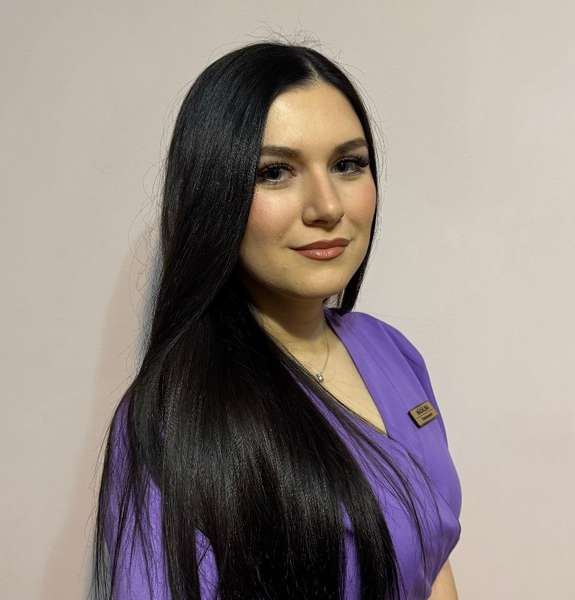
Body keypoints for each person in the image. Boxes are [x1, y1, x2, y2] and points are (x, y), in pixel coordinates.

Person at [88, 40, 462, 600]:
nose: (327, 206)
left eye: (347, 164)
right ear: (214, 195)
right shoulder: (178, 418)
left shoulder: (390, 350)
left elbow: (429, 557)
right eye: (275, 172)